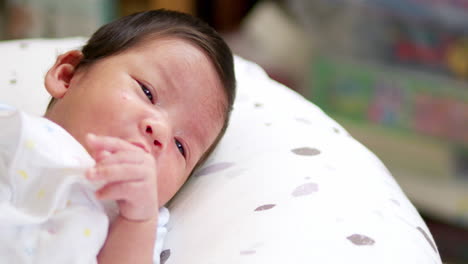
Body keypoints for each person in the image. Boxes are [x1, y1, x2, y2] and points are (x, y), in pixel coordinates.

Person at [0, 9, 236, 264]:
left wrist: (137, 221)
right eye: (147, 92)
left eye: (180, 147)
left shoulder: (137, 223)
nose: (161, 131)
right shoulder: (15, 126)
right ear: (67, 76)